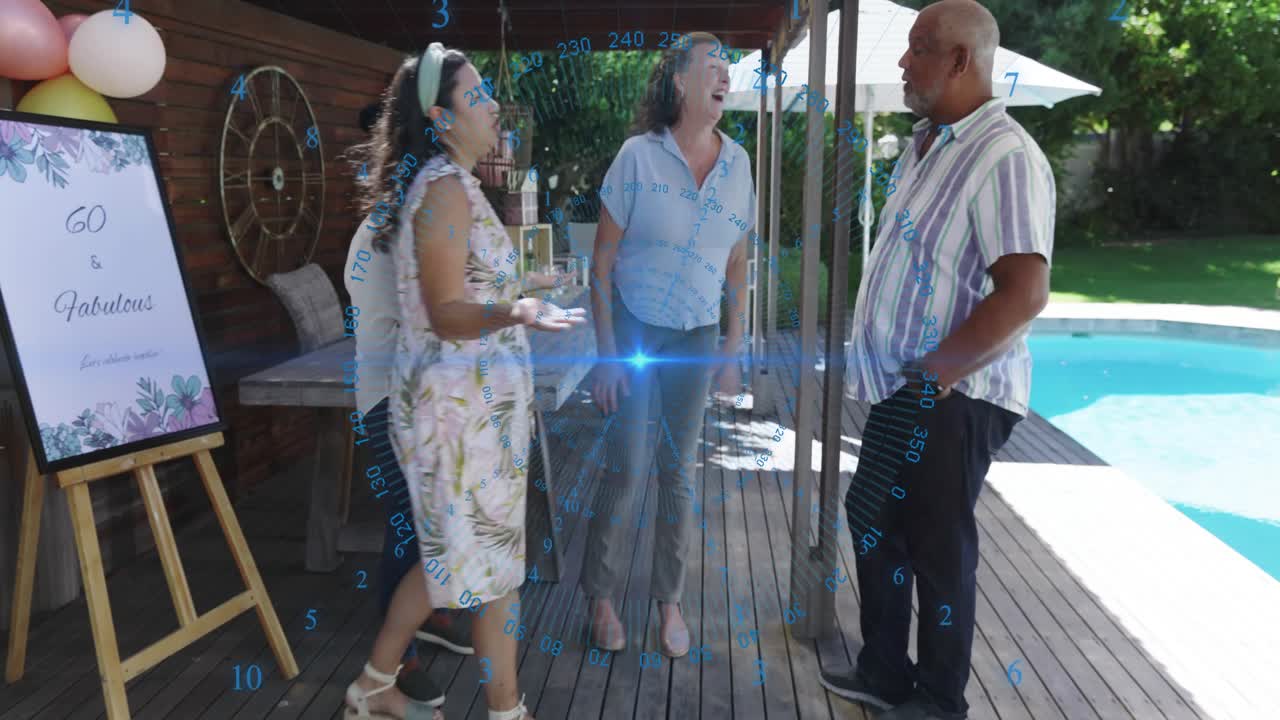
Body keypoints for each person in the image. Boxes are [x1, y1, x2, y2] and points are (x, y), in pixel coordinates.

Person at [821, 2, 1054, 719]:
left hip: (955, 394)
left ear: (962, 61)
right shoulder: (929, 144)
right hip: (910, 389)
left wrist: (937, 374)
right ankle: (886, 672)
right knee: (875, 521)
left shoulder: (1004, 157)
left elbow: (1024, 292)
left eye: (919, 49)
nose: (902, 62)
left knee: (937, 548)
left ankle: (940, 697)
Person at [341, 43, 586, 720]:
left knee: (457, 561)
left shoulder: (457, 185)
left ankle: (371, 687)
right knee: (488, 565)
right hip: (457, 417)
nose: (492, 107)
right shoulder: (444, 189)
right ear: (441, 117)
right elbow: (447, 311)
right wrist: (518, 309)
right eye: (476, 96)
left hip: (475, 413)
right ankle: (505, 711)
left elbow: (461, 282)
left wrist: (529, 284)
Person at [583, 31, 756, 657]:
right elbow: (600, 264)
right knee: (628, 467)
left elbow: (737, 266)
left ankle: (668, 601)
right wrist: (605, 356)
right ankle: (600, 597)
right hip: (633, 330)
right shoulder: (637, 157)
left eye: (727, 69)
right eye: (711, 67)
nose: (723, 77)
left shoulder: (739, 166)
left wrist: (732, 350)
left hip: (697, 333)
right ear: (679, 82)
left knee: (678, 474)